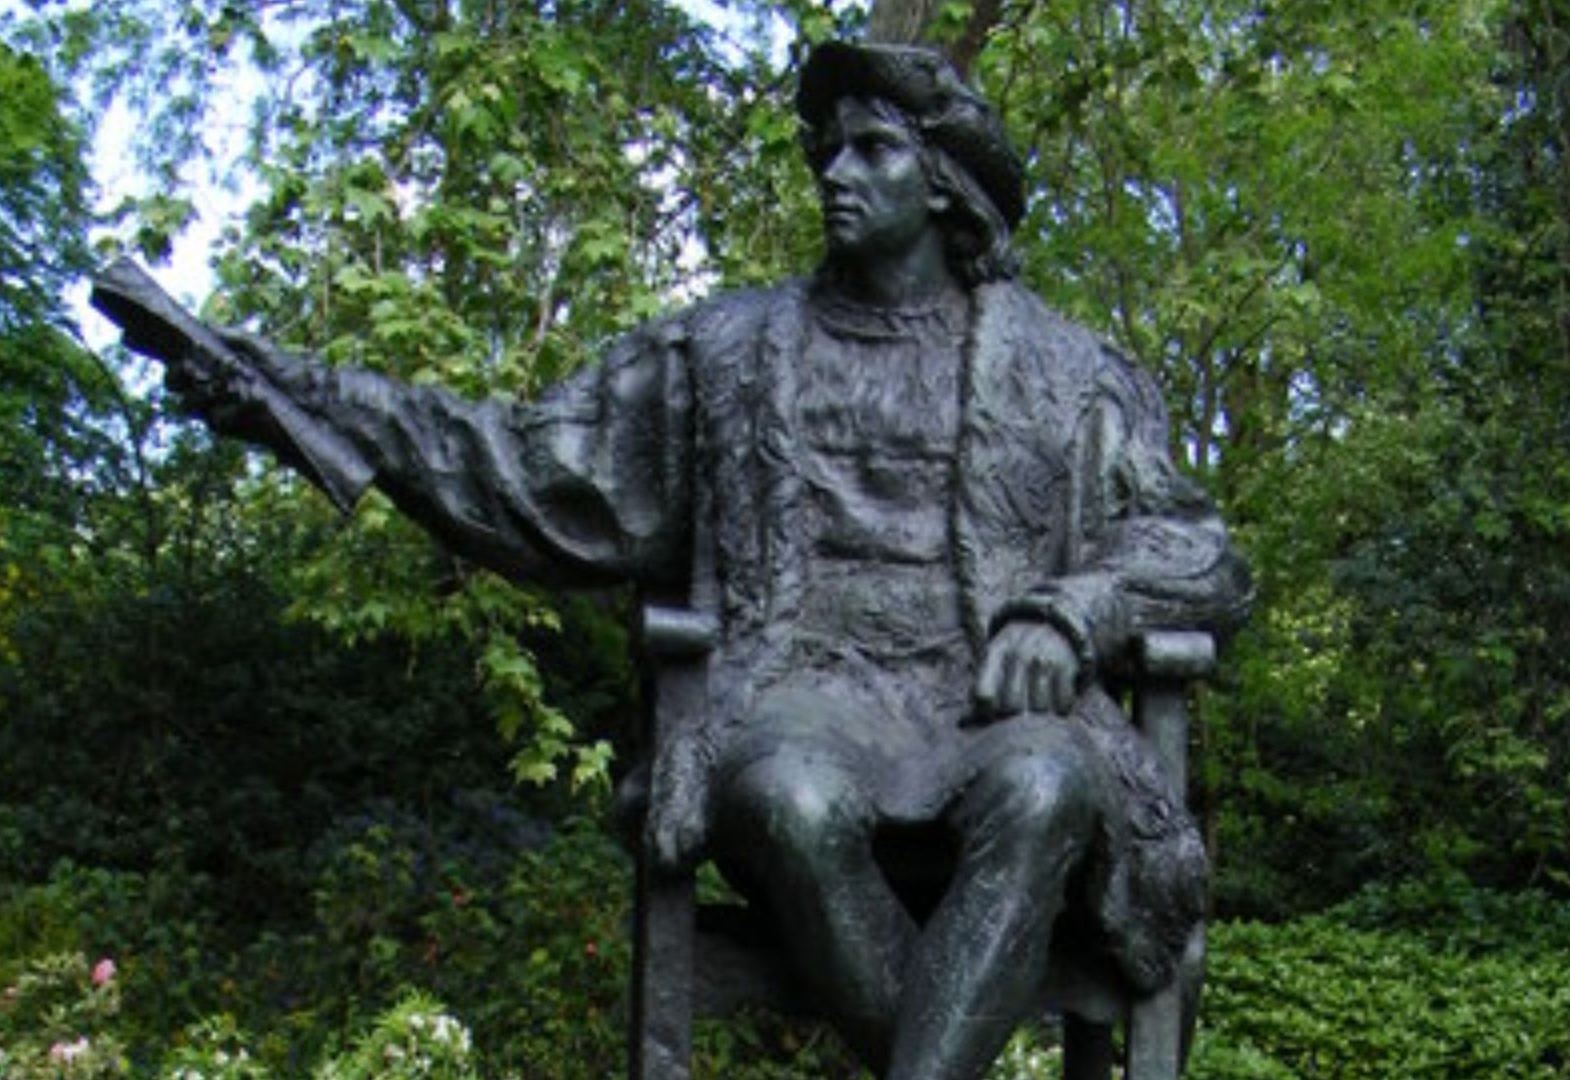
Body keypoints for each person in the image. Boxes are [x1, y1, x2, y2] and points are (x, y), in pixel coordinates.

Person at [125, 41, 1250, 1080]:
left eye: (873, 149)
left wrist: (1069, 612)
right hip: (800, 694)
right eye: (827, 151)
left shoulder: (1064, 369)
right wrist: (291, 396)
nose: (834, 174)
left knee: (1050, 783)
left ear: (945, 180)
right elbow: (525, 468)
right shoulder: (726, 351)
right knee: (789, 804)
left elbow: (1198, 549)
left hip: (989, 708)